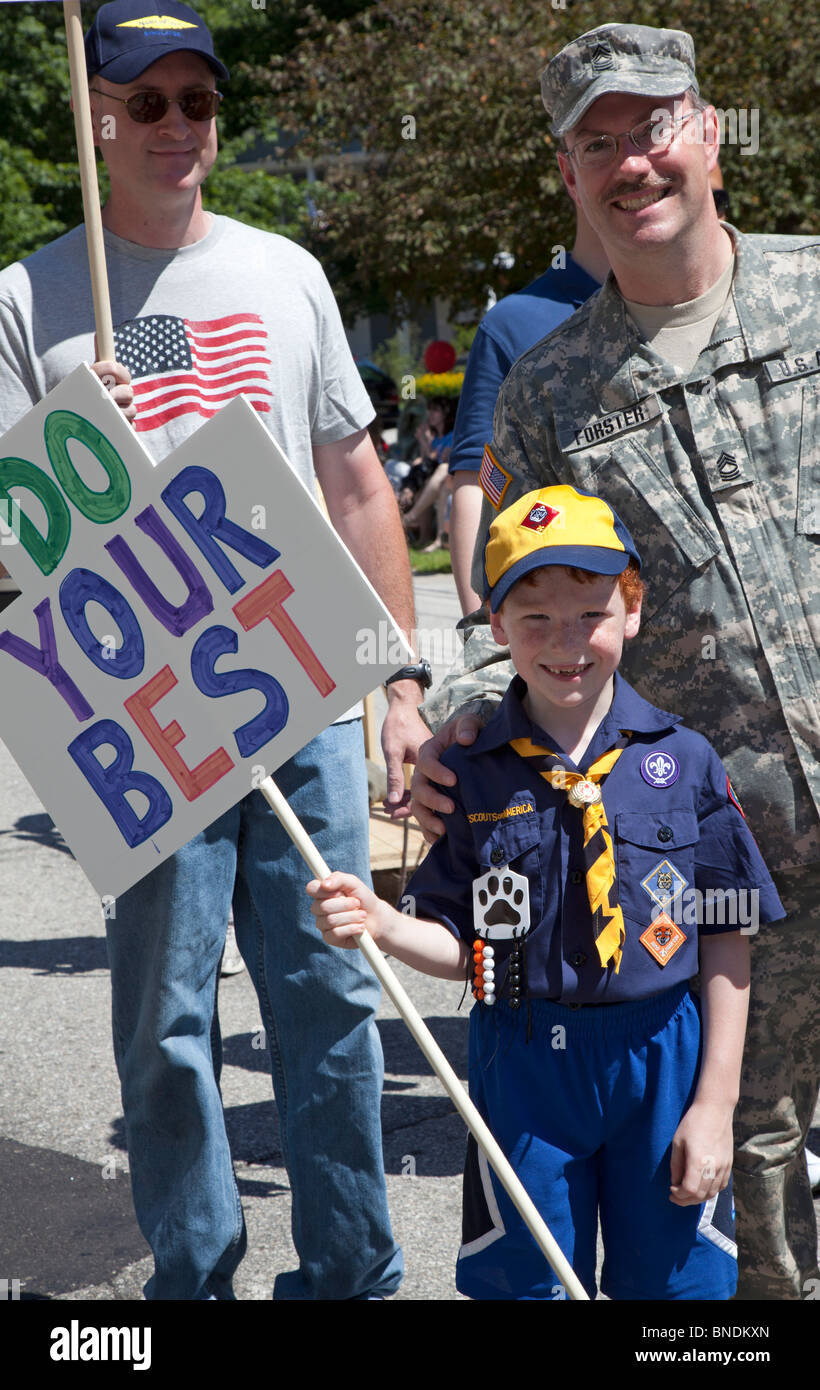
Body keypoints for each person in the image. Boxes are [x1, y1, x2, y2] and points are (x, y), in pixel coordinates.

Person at [0, 0, 431, 1300]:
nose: (177, 126)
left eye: (199, 101)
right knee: (168, 1022)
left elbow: (355, 484)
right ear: (98, 115)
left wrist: (402, 676)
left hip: (298, 678)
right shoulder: (29, 297)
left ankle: (350, 1273)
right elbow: (14, 538)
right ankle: (193, 1280)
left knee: (332, 997)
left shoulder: (284, 270)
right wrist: (69, 445)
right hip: (150, 704)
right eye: (148, 101)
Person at [413, 21, 820, 1301]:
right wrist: (462, 724)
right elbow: (535, 611)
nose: (629, 163)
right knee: (748, 1166)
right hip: (721, 854)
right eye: (597, 144)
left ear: (705, 132)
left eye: (650, 128)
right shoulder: (549, 387)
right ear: (566, 174)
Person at [311, 485, 784, 1300]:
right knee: (526, 1284)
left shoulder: (690, 762)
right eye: (535, 620)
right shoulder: (470, 772)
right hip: (525, 1057)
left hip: (663, 1059)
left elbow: (726, 938)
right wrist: (385, 924)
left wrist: (715, 1104)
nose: (566, 642)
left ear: (630, 613)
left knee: (676, 1291)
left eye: (590, 613)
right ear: (496, 628)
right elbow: (471, 951)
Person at [448, 209, 607, 614]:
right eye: (601, 145)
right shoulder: (514, 325)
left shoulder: (745, 302)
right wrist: (484, 631)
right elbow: (478, 482)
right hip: (570, 639)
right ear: (569, 172)